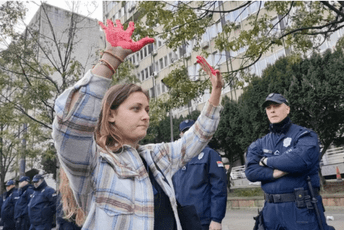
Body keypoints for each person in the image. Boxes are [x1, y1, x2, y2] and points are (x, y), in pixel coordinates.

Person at [52, 19, 224, 230]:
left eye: (147, 110)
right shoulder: (94, 162)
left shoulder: (154, 156)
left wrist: (215, 94)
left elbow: (197, 138)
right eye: (136, 109)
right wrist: (111, 58)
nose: (145, 116)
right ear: (111, 115)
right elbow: (71, 126)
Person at [245, 93, 335, 230]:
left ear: (287, 109)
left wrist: (265, 161)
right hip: (270, 212)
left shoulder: (305, 135)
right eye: (268, 108)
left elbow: (299, 160)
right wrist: (276, 172)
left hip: (301, 209)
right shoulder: (259, 143)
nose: (272, 110)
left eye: (276, 106)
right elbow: (251, 172)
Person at [172, 119, 227, 230]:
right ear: (181, 135)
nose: (188, 134)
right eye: (185, 132)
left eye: (191, 131)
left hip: (202, 220)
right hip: (180, 220)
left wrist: (216, 219)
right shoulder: (176, 157)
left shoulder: (209, 154)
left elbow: (219, 188)